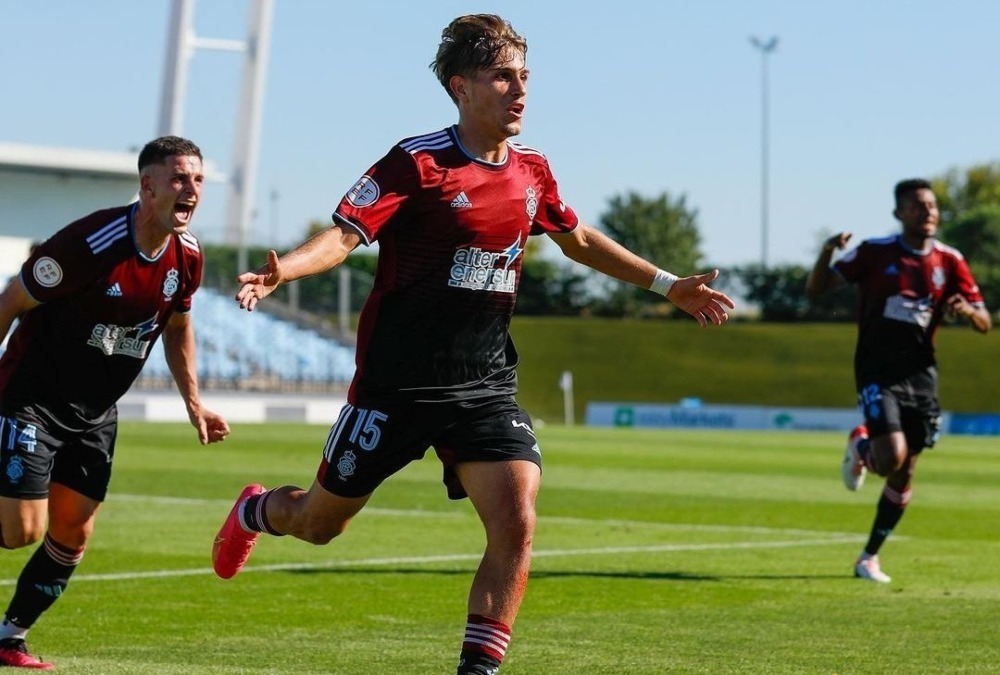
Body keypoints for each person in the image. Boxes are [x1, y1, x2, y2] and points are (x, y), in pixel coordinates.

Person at [211, 14, 735, 675]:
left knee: (517, 518)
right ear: (461, 87)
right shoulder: (417, 163)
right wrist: (284, 267)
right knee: (319, 522)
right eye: (503, 78)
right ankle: (258, 509)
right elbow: (344, 234)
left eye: (525, 78)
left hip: (483, 386)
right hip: (395, 386)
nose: (520, 91)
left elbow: (577, 240)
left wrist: (667, 285)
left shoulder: (533, 172)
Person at [0, 135, 230, 668]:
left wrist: (195, 403)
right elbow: (11, 302)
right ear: (147, 185)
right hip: (33, 397)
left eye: (197, 179)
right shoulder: (89, 245)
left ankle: (11, 634)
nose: (191, 189)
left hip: (97, 411)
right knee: (20, 532)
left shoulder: (187, 257)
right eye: (179, 178)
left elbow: (177, 329)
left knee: (73, 529)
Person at [806, 177, 991, 584]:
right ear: (898, 213)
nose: (928, 212)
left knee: (904, 472)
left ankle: (868, 557)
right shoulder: (875, 253)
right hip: (877, 370)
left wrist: (967, 313)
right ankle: (862, 443)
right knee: (890, 457)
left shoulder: (950, 261)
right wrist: (826, 252)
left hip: (922, 377)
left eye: (932, 206)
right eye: (917, 206)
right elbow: (817, 288)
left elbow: (984, 322)